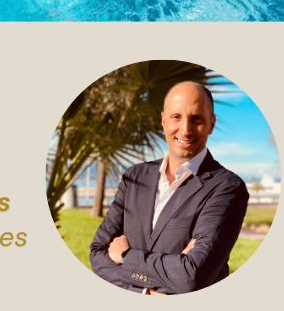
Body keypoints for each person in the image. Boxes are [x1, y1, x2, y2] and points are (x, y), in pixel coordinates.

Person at [89, 81, 249, 295]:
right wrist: (145, 292)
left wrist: (126, 256)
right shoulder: (135, 176)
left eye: (196, 119)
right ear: (164, 121)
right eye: (176, 117)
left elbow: (193, 276)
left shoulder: (227, 187)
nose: (186, 130)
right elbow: (98, 254)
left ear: (211, 124)